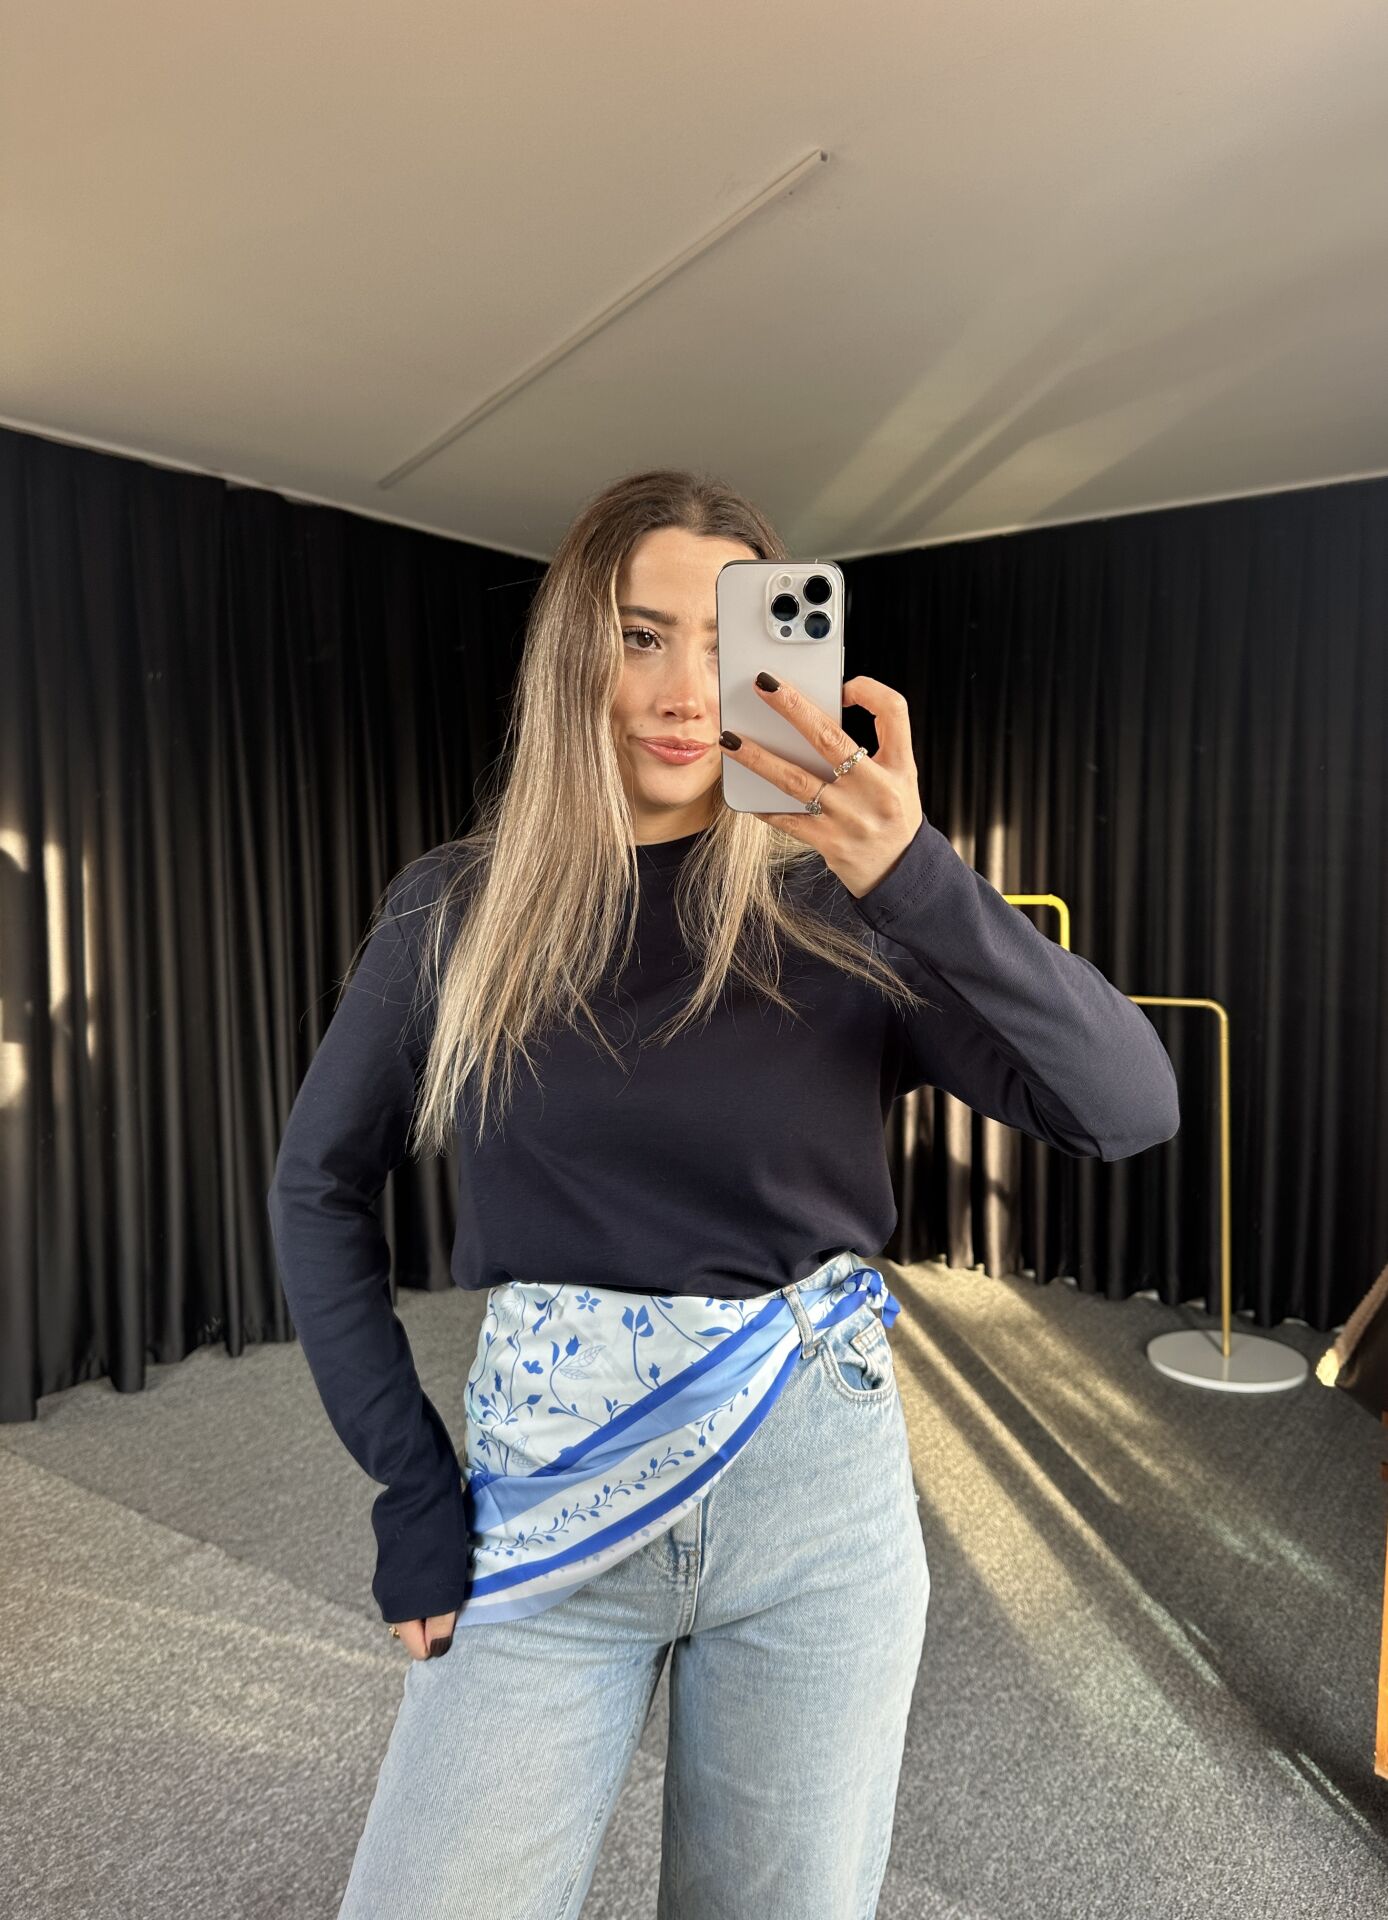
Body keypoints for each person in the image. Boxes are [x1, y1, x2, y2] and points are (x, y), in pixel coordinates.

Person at [266, 468, 1180, 1919]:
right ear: (576, 652)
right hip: (544, 1500)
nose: (686, 689)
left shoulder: (850, 905)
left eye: (726, 638)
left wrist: (917, 874)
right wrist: (410, 1487)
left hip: (817, 1509)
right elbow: (318, 1185)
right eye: (640, 637)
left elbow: (1129, 1106)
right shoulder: (459, 906)